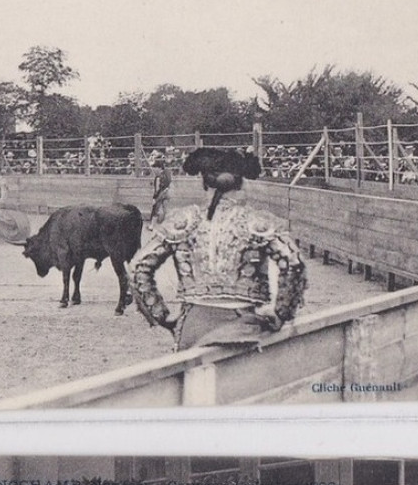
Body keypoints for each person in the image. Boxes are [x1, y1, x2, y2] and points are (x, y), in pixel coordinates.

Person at [131, 147, 306, 351]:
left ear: (204, 183)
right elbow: (294, 263)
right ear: (241, 184)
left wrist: (162, 315)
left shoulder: (184, 221)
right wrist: (281, 313)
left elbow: (138, 267)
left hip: (194, 324)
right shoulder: (258, 222)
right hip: (245, 325)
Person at [149, 154, 173, 224]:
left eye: (155, 167)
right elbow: (169, 182)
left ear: (158, 168)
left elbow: (157, 189)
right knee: (165, 209)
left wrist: (154, 198)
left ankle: (152, 225)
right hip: (167, 191)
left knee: (156, 208)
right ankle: (166, 222)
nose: (154, 169)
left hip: (161, 193)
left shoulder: (158, 177)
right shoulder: (168, 172)